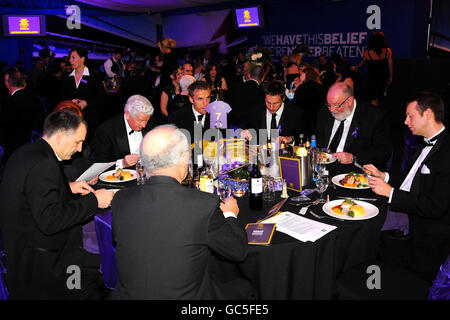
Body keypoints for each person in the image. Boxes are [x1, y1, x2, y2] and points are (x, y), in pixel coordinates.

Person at [112, 124, 252, 299]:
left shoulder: (120, 200)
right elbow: (238, 251)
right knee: (244, 287)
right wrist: (231, 214)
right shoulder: (203, 205)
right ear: (183, 158)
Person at [0, 110, 114, 299]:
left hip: (20, 256)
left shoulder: (27, 152)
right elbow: (51, 221)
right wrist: (95, 201)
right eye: (78, 142)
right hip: (47, 266)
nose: (79, 149)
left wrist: (68, 188)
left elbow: (31, 196)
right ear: (60, 136)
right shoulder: (44, 165)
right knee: (96, 271)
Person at [363, 92, 450, 281]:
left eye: (410, 116)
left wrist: (391, 193)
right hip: (409, 214)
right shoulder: (423, 145)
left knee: (369, 228)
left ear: (427, 114)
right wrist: (383, 175)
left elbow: (436, 207)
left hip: (427, 235)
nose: (405, 121)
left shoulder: (446, 151)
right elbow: (410, 181)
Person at [315, 82, 392, 174]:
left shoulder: (373, 117)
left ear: (349, 101)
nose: (332, 110)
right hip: (325, 172)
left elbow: (383, 152)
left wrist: (354, 158)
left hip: (357, 173)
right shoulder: (323, 113)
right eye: (329, 105)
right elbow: (318, 143)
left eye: (336, 105)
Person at [90, 94, 156, 169]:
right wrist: (122, 164)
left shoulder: (150, 123)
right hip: (122, 177)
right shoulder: (106, 131)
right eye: (140, 121)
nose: (144, 125)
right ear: (128, 115)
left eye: (146, 120)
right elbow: (100, 164)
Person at [241, 80, 305, 145]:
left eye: (275, 103)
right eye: (268, 102)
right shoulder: (256, 111)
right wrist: (245, 135)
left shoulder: (295, 113)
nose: (271, 107)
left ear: (283, 99)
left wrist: (290, 139)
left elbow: (303, 137)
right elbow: (247, 132)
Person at [61, 47, 106, 139]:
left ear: (82, 59)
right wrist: (70, 101)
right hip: (71, 118)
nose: (70, 61)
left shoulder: (94, 76)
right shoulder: (66, 77)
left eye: (73, 58)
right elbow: (61, 95)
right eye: (70, 58)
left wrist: (86, 103)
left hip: (90, 117)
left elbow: (102, 96)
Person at [0, 69, 44, 161]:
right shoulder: (36, 99)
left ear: (8, 83)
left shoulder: (10, 102)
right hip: (32, 146)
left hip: (13, 148)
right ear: (24, 83)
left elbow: (4, 125)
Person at [353, 31, 394, 107]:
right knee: (379, 99)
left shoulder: (367, 51)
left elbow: (362, 63)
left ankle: (373, 116)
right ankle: (376, 115)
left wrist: (356, 67)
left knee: (372, 99)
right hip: (382, 78)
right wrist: (391, 77)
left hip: (371, 79)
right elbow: (391, 66)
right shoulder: (388, 51)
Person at [226, 64, 265, 128]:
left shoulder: (236, 87)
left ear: (249, 75)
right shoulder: (262, 93)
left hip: (232, 126)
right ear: (262, 79)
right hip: (251, 131)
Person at [292, 66, 326, 137]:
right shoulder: (321, 87)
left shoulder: (302, 88)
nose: (300, 76)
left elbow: (295, 105)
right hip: (318, 120)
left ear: (306, 75)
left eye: (301, 75)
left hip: (304, 120)